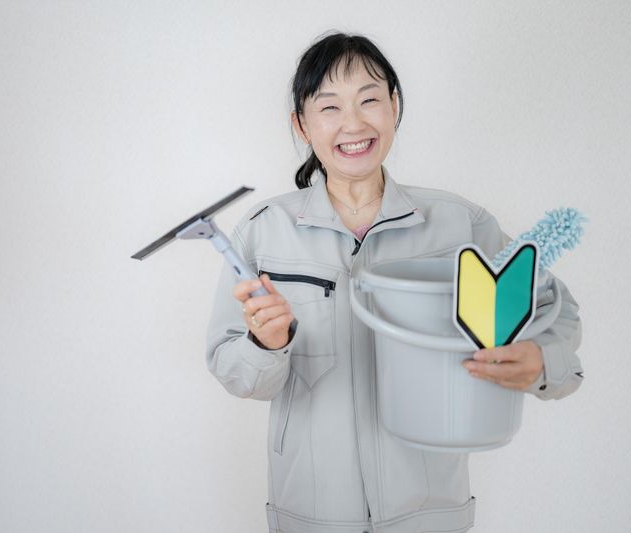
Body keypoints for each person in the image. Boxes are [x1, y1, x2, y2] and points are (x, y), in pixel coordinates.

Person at [205, 31, 583, 533]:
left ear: (395, 107)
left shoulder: (459, 224)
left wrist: (542, 363)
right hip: (311, 515)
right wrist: (265, 343)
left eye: (369, 100)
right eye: (329, 107)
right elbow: (235, 372)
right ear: (302, 124)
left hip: (430, 514)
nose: (353, 123)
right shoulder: (263, 231)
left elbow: (557, 308)